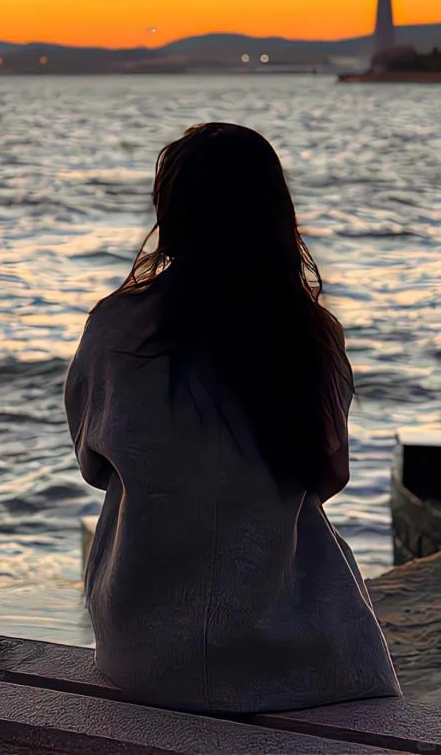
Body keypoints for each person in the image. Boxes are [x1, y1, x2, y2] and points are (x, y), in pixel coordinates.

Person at [65, 122, 400, 714]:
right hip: (293, 655)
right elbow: (330, 476)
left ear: (170, 216)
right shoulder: (307, 336)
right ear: (276, 217)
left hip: (143, 652)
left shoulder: (116, 329)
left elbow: (94, 463)